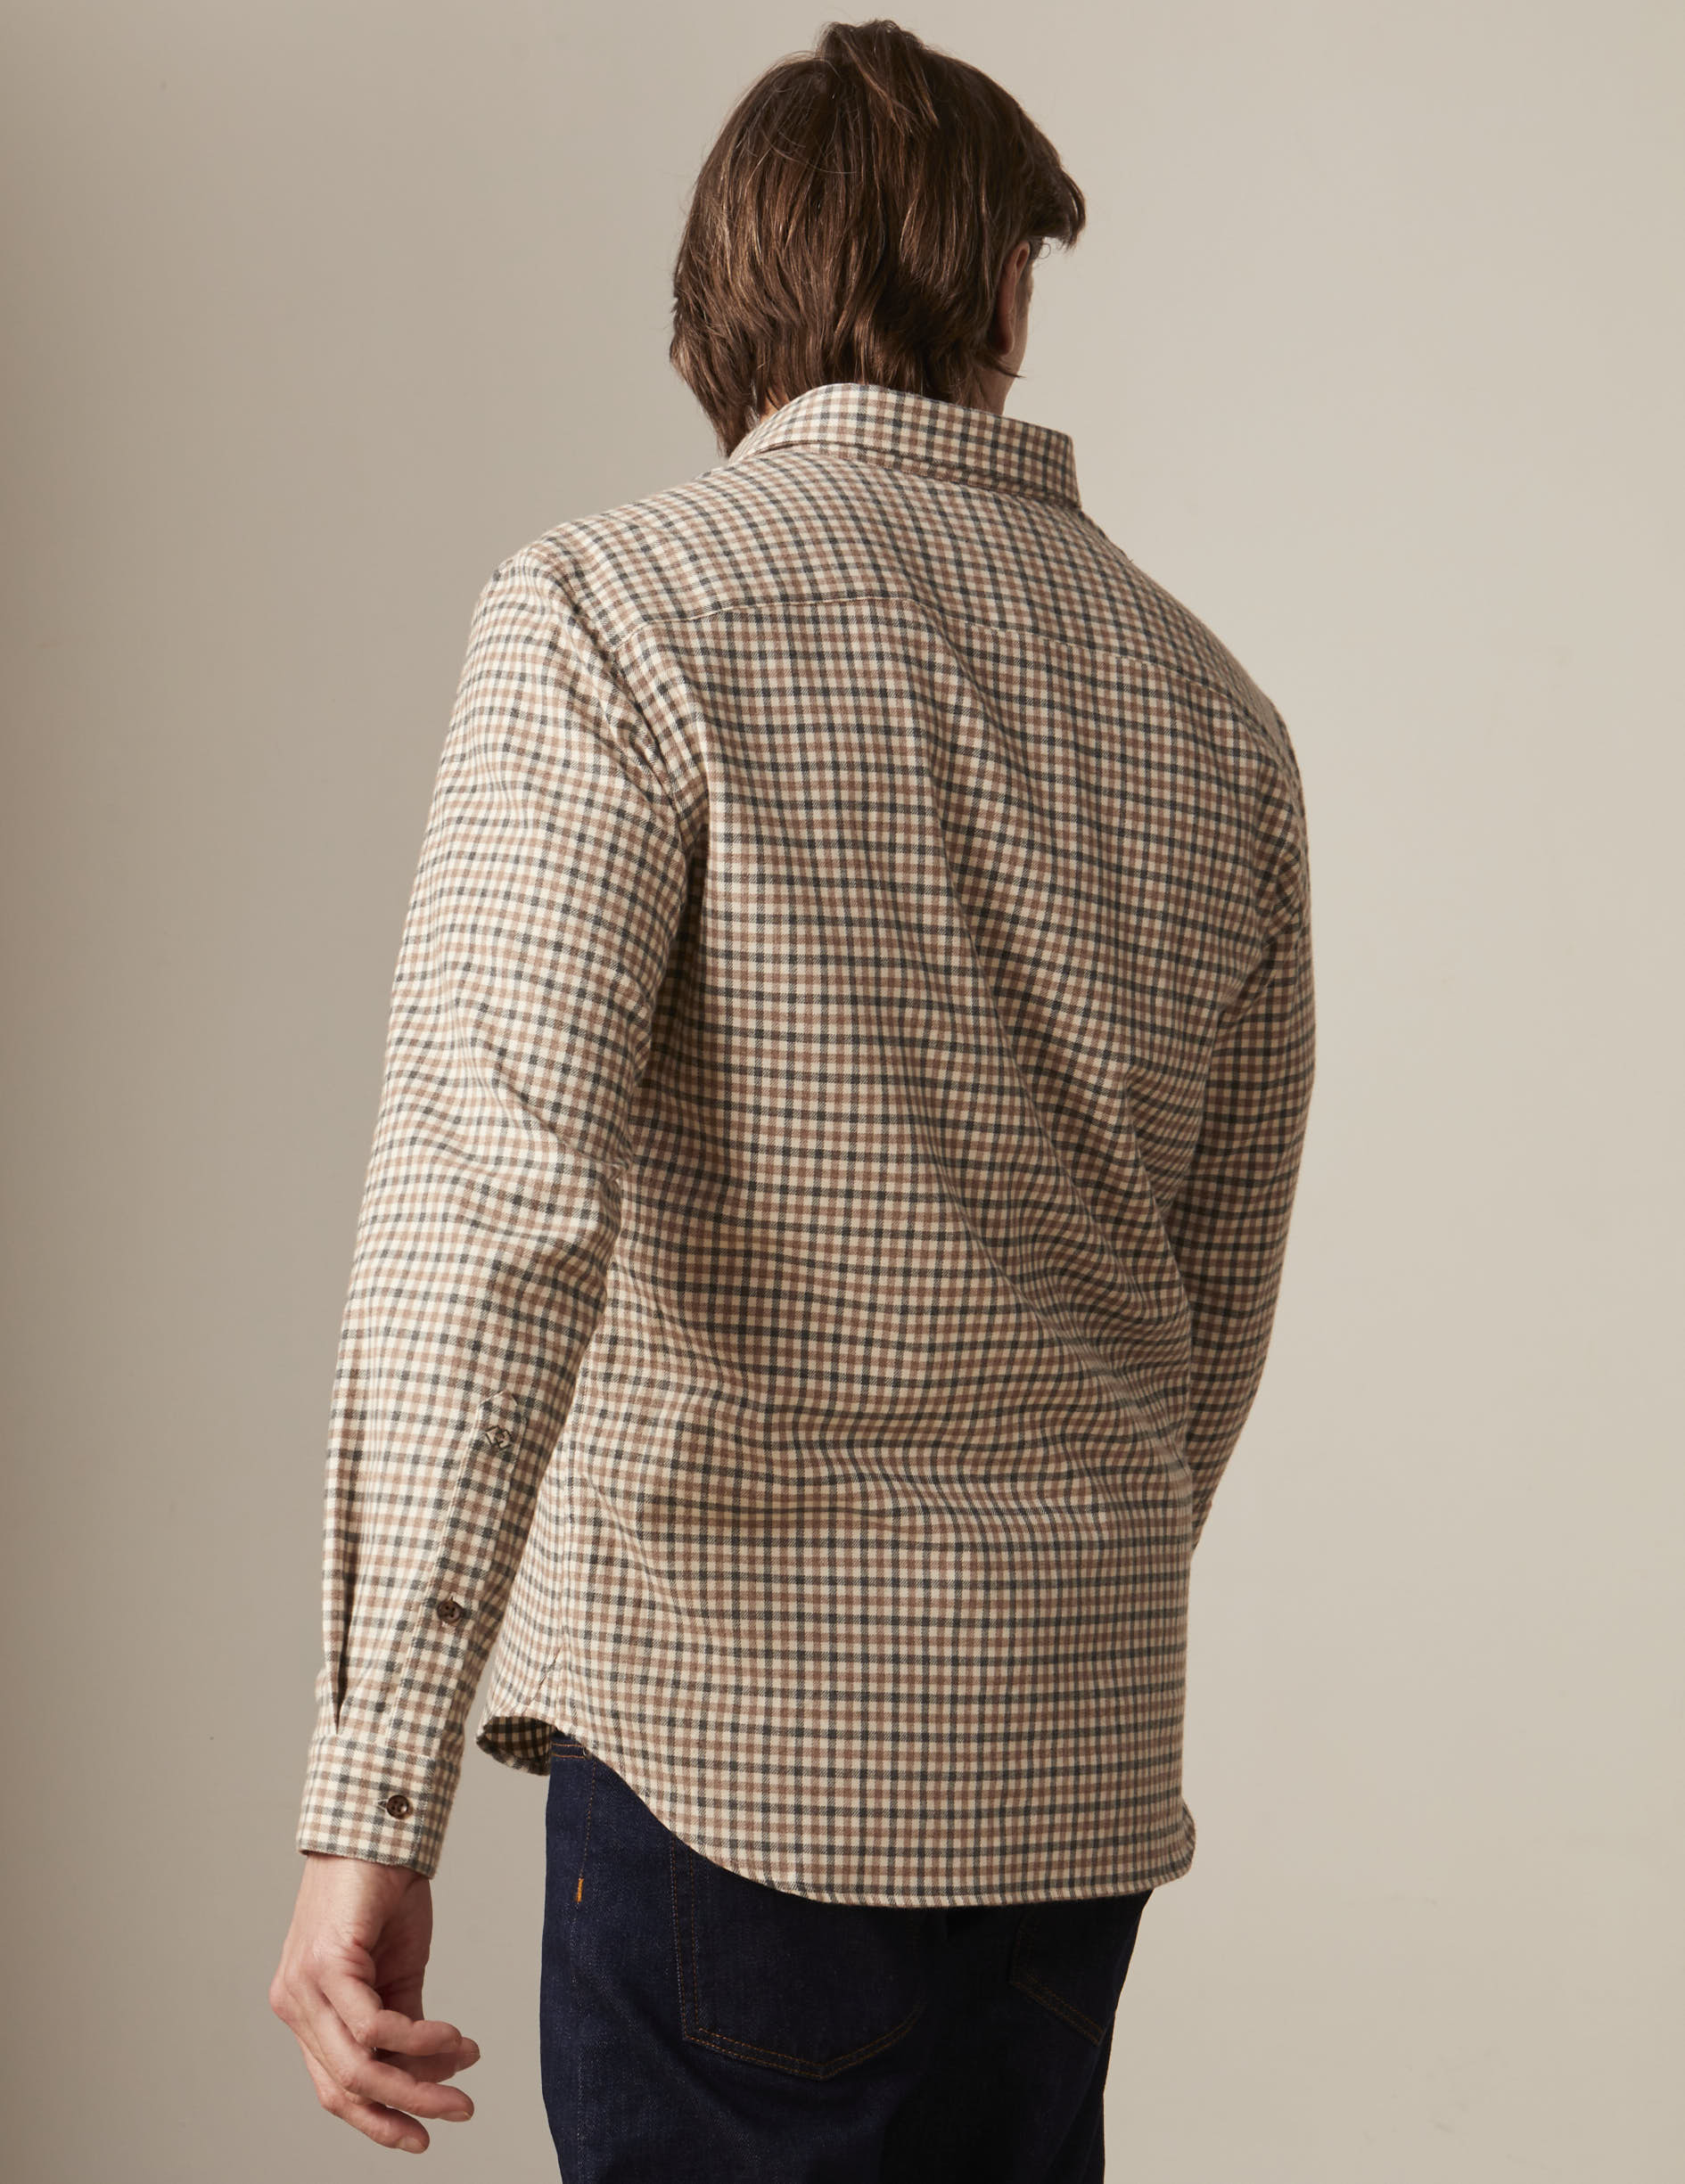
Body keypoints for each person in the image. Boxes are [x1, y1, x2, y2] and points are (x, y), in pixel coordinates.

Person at [268, 18, 1317, 2180]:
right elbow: (1210, 1302)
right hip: (1067, 1793)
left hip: (729, 1765)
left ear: (714, 297)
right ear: (1006, 295)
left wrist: (373, 1795)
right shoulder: (1219, 719)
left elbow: (488, 1224)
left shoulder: (614, 617)